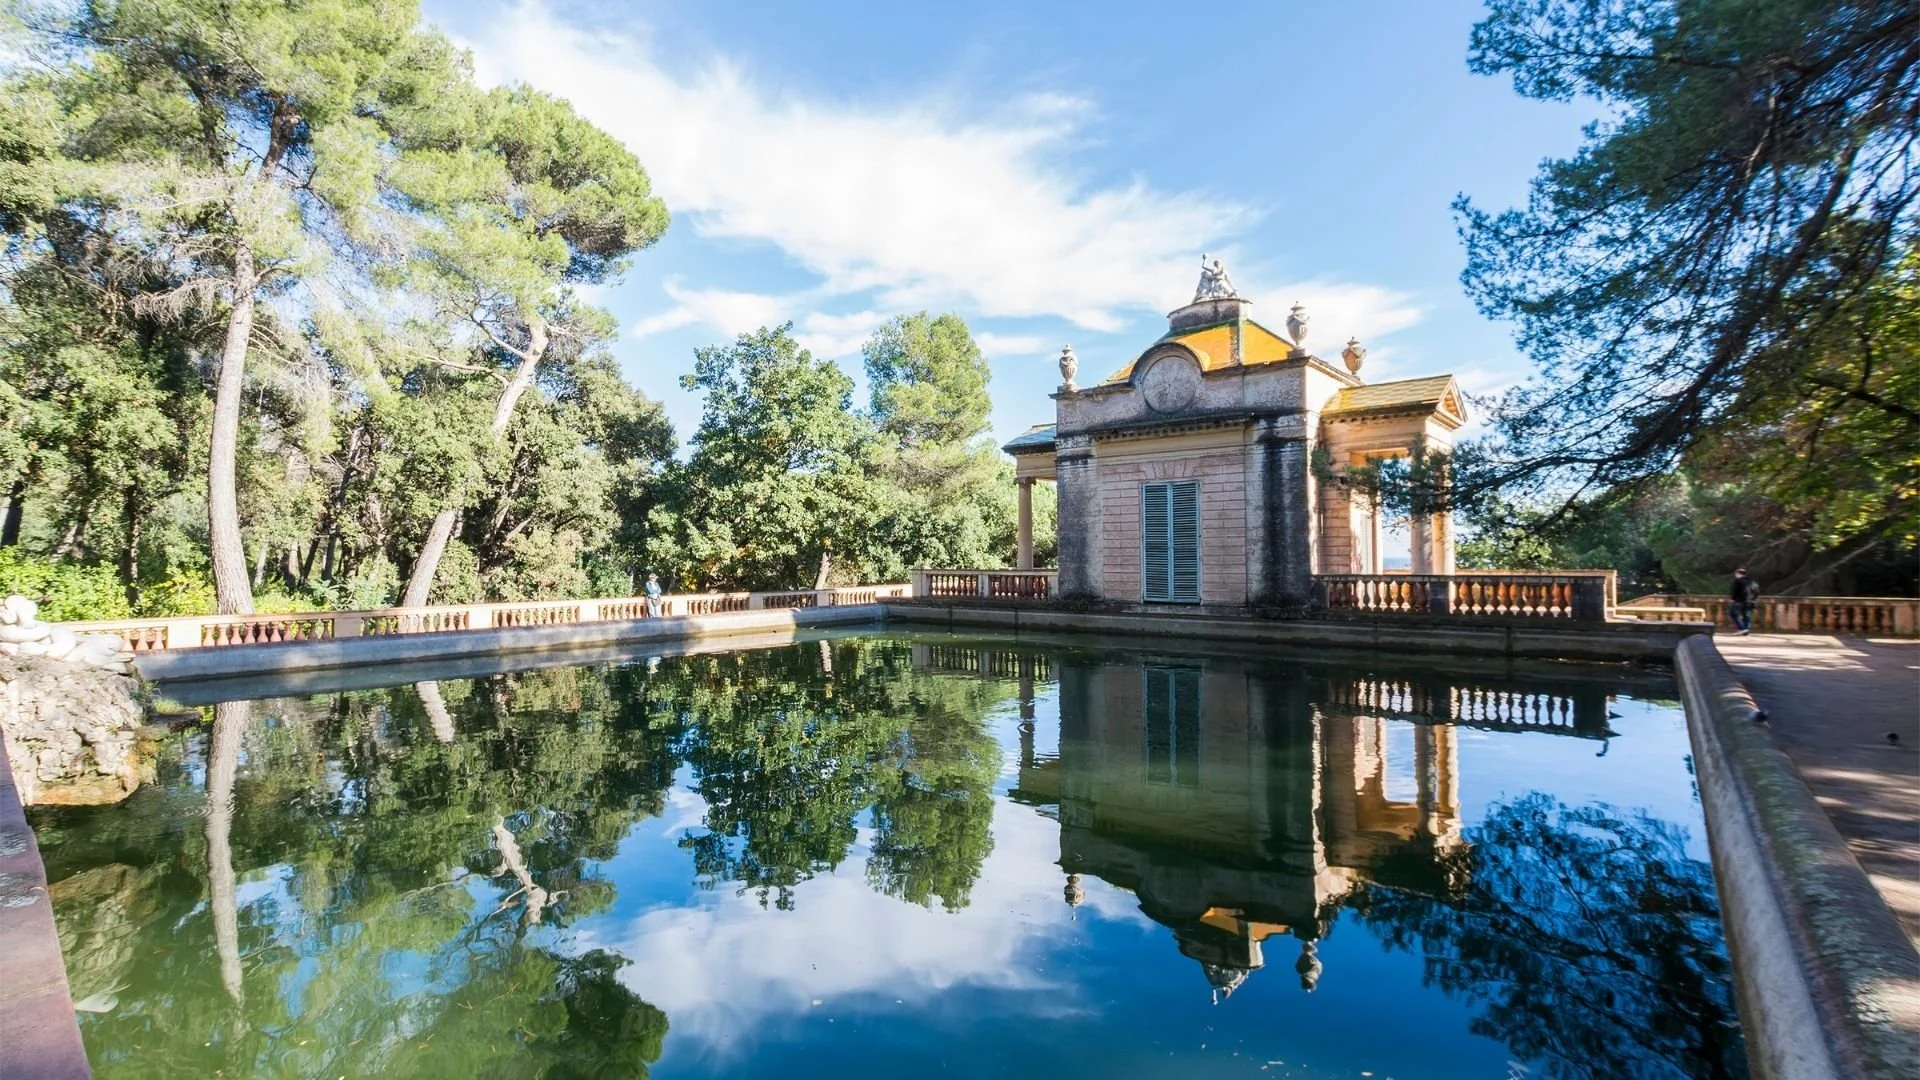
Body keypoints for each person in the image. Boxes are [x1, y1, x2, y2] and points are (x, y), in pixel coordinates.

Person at [1728, 568, 1760, 635]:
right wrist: (1754, 599)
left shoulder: (1738, 581)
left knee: (1733, 613)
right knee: (1747, 615)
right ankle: (1746, 630)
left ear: (1738, 574)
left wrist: (1733, 598)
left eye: (1736, 574)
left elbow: (1735, 591)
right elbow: (1757, 592)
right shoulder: (1752, 582)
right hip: (1750, 602)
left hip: (1739, 601)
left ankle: (1742, 628)